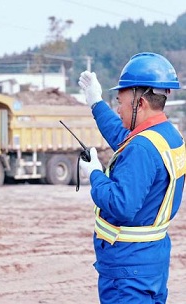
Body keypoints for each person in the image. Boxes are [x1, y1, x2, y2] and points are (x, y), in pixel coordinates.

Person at [77, 52, 186, 303]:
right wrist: (96, 102)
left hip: (128, 269)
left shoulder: (142, 148)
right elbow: (122, 136)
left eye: (120, 102)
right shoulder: (167, 135)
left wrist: (94, 173)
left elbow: (121, 205)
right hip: (151, 260)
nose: (118, 109)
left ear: (140, 103)